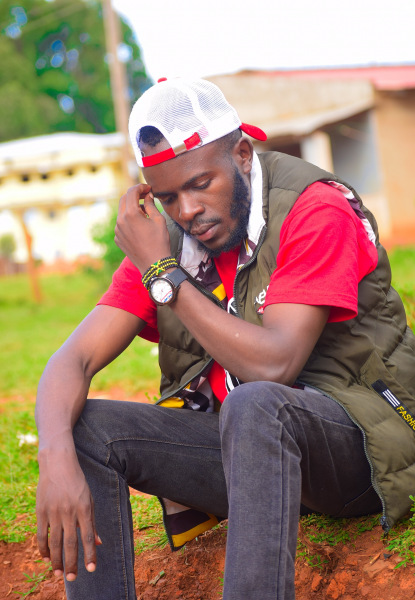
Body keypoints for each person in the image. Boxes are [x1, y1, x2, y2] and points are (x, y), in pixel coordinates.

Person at [35, 77, 415, 600]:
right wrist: (55, 457)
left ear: (241, 154)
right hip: (253, 460)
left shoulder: (313, 207)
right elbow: (72, 359)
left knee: (256, 403)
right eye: (168, 197)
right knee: (83, 426)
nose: (187, 210)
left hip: (359, 448)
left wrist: (164, 276)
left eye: (200, 184)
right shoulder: (169, 242)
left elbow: (275, 365)